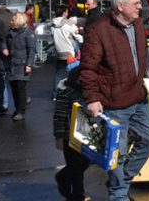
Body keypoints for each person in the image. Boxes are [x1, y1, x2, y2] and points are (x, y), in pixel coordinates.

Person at [79, 0, 149, 200]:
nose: (140, 7)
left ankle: (122, 182)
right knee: (118, 154)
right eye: (136, 3)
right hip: (114, 103)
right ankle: (119, 193)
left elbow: (140, 53)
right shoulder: (99, 30)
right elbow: (87, 68)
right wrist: (93, 98)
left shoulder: (138, 25)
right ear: (120, 6)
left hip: (137, 97)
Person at [53, 64, 91, 201]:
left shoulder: (85, 91)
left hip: (84, 134)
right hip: (68, 135)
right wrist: (58, 136)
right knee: (76, 166)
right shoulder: (66, 91)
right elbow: (59, 116)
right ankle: (77, 196)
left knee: (83, 162)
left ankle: (63, 177)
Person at [6, 11, 36, 121]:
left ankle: (21, 111)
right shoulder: (10, 32)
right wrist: (4, 48)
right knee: (14, 88)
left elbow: (32, 50)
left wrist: (29, 64)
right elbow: (4, 42)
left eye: (12, 20)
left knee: (20, 87)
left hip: (22, 64)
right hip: (12, 64)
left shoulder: (28, 33)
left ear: (18, 21)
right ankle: (17, 108)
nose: (10, 22)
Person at [51, 5, 83, 100]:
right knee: (72, 73)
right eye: (67, 12)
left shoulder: (53, 25)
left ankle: (55, 95)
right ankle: (71, 93)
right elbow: (77, 37)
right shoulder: (67, 25)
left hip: (59, 52)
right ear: (64, 12)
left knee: (58, 74)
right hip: (69, 53)